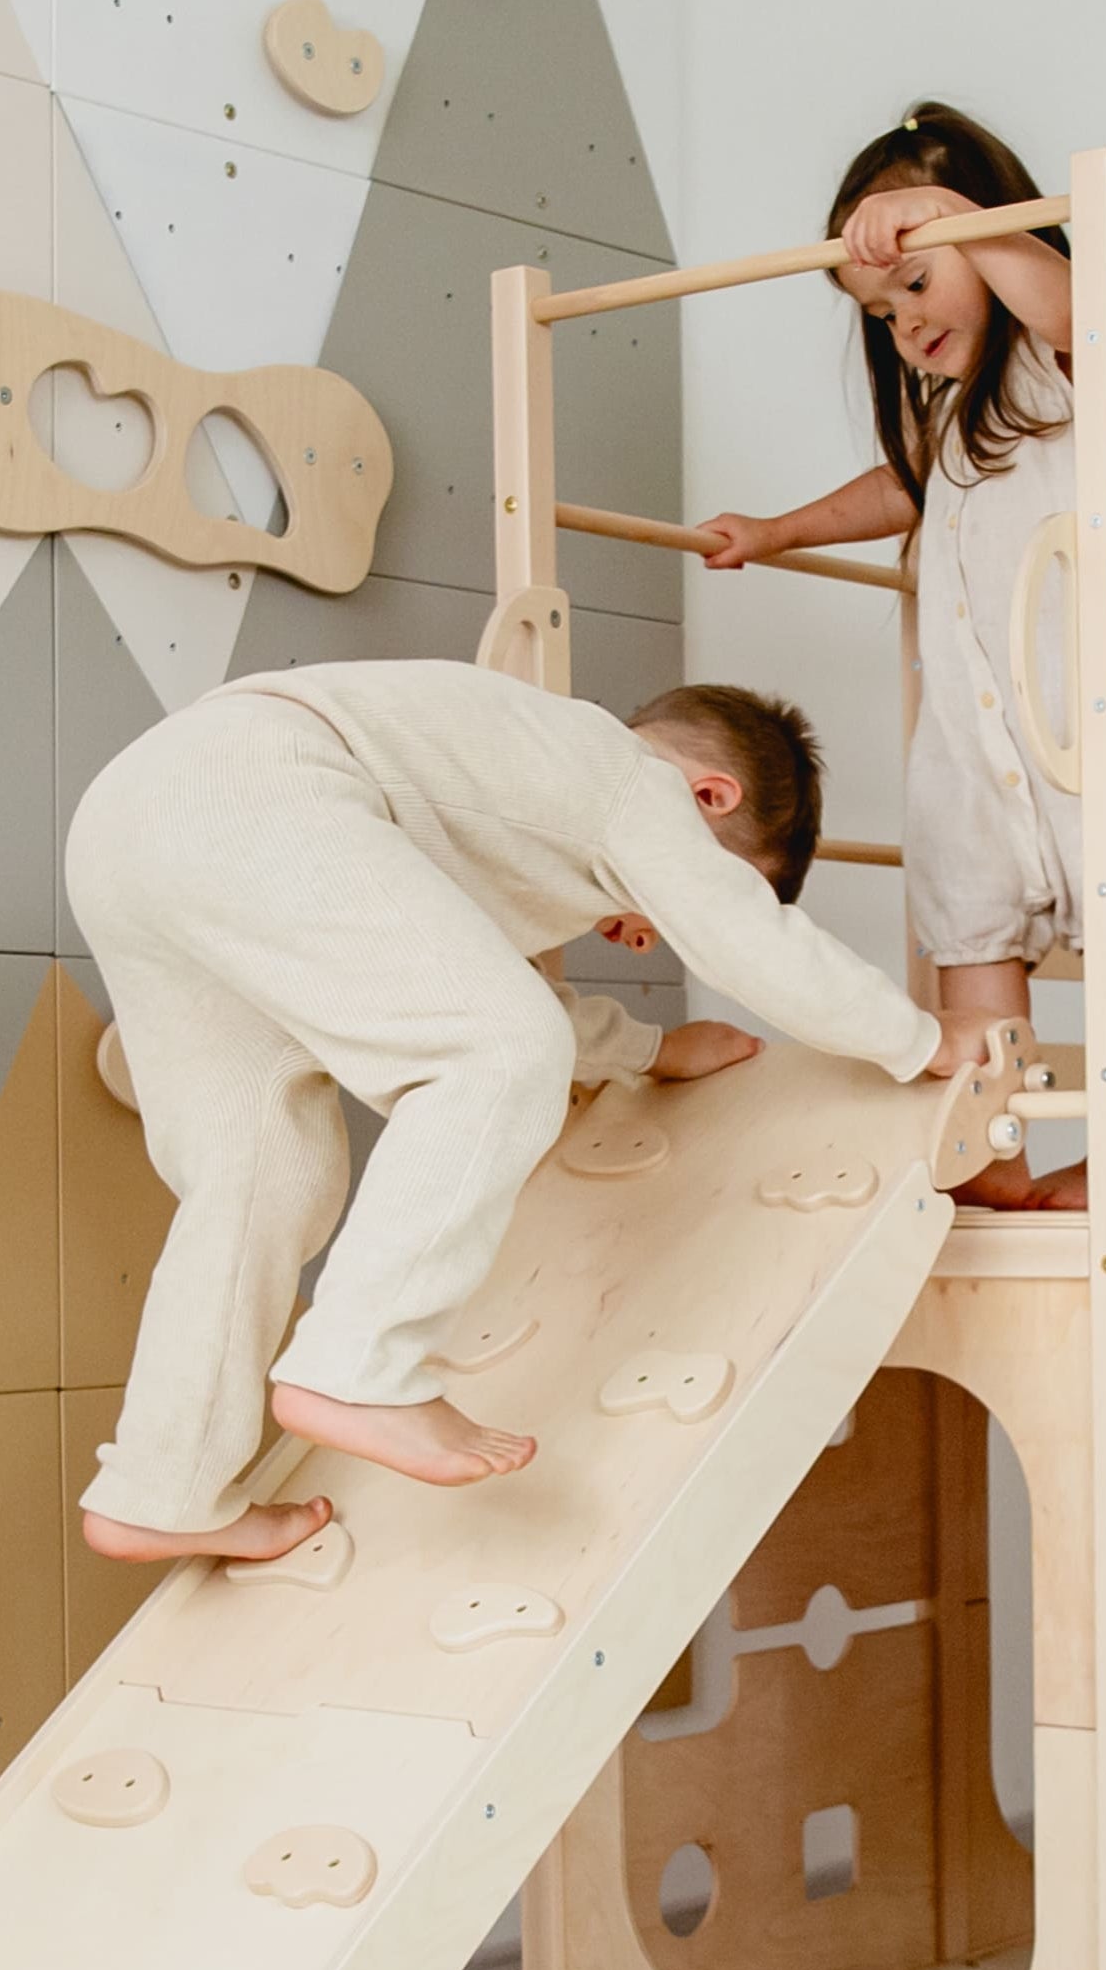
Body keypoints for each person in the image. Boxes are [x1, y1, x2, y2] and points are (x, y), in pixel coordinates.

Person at [66, 661, 969, 1566]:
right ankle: (361, 1366)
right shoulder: (630, 780)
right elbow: (750, 944)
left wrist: (652, 1050)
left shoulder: (515, 779)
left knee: (260, 1177)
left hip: (130, 825)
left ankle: (163, 1484)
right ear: (707, 795)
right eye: (708, 877)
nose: (651, 928)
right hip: (255, 787)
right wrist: (920, 1039)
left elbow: (477, 982)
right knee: (499, 1050)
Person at [695, 102, 1106, 1206]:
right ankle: (997, 1159)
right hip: (979, 731)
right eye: (880, 313)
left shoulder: (1076, 357)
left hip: (1097, 711)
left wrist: (952, 219)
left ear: (991, 236)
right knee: (970, 929)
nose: (903, 326)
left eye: (917, 285)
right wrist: (777, 531)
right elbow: (900, 490)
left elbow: (1068, 298)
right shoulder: (948, 414)